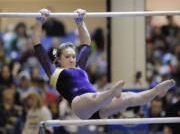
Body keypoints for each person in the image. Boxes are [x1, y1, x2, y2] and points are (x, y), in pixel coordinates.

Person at [32, 8, 176, 120]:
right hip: (81, 107)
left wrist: (80, 22)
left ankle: (157, 91)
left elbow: (86, 43)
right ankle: (111, 93)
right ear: (58, 60)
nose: (72, 59)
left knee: (129, 98)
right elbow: (37, 44)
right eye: (68, 57)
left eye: (73, 56)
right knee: (90, 97)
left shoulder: (79, 67)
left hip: (99, 106)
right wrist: (39, 21)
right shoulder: (54, 72)